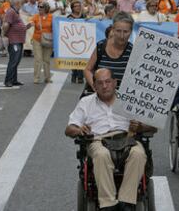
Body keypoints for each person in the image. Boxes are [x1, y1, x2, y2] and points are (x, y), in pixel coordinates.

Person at [65, 68, 156, 211]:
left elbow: (153, 127)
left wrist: (140, 127)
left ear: (115, 83)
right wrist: (79, 129)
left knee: (138, 154)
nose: (104, 86)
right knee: (101, 155)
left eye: (108, 82)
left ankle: (127, 202)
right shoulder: (86, 102)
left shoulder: (130, 100)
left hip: (127, 137)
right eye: (100, 83)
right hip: (98, 139)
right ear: (94, 86)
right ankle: (108, 205)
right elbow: (69, 129)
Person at [84, 11, 133, 91]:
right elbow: (88, 70)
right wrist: (96, 88)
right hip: (99, 98)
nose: (122, 36)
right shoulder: (101, 46)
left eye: (125, 32)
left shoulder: (132, 51)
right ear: (113, 29)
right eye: (118, 31)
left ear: (131, 31)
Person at [2, 0, 32, 87]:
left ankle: (13, 79)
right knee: (13, 61)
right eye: (20, 3)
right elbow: (6, 24)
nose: (21, 5)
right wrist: (5, 35)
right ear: (17, 3)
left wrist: (25, 27)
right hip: (14, 40)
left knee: (16, 60)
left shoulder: (15, 12)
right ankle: (8, 80)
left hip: (18, 40)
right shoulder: (11, 12)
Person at [30, 2, 53, 84]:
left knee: (46, 60)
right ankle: (36, 78)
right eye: (38, 7)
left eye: (41, 7)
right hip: (37, 39)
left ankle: (47, 78)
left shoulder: (52, 17)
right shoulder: (36, 16)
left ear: (46, 8)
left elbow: (57, 26)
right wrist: (29, 24)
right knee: (38, 59)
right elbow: (30, 23)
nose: (39, 8)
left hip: (48, 40)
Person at [67, 1, 86, 83]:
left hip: (82, 40)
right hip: (73, 40)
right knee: (74, 58)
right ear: (72, 8)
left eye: (79, 6)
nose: (78, 7)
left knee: (81, 58)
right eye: (76, 6)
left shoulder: (84, 16)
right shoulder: (69, 17)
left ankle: (80, 76)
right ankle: (74, 74)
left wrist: (88, 20)